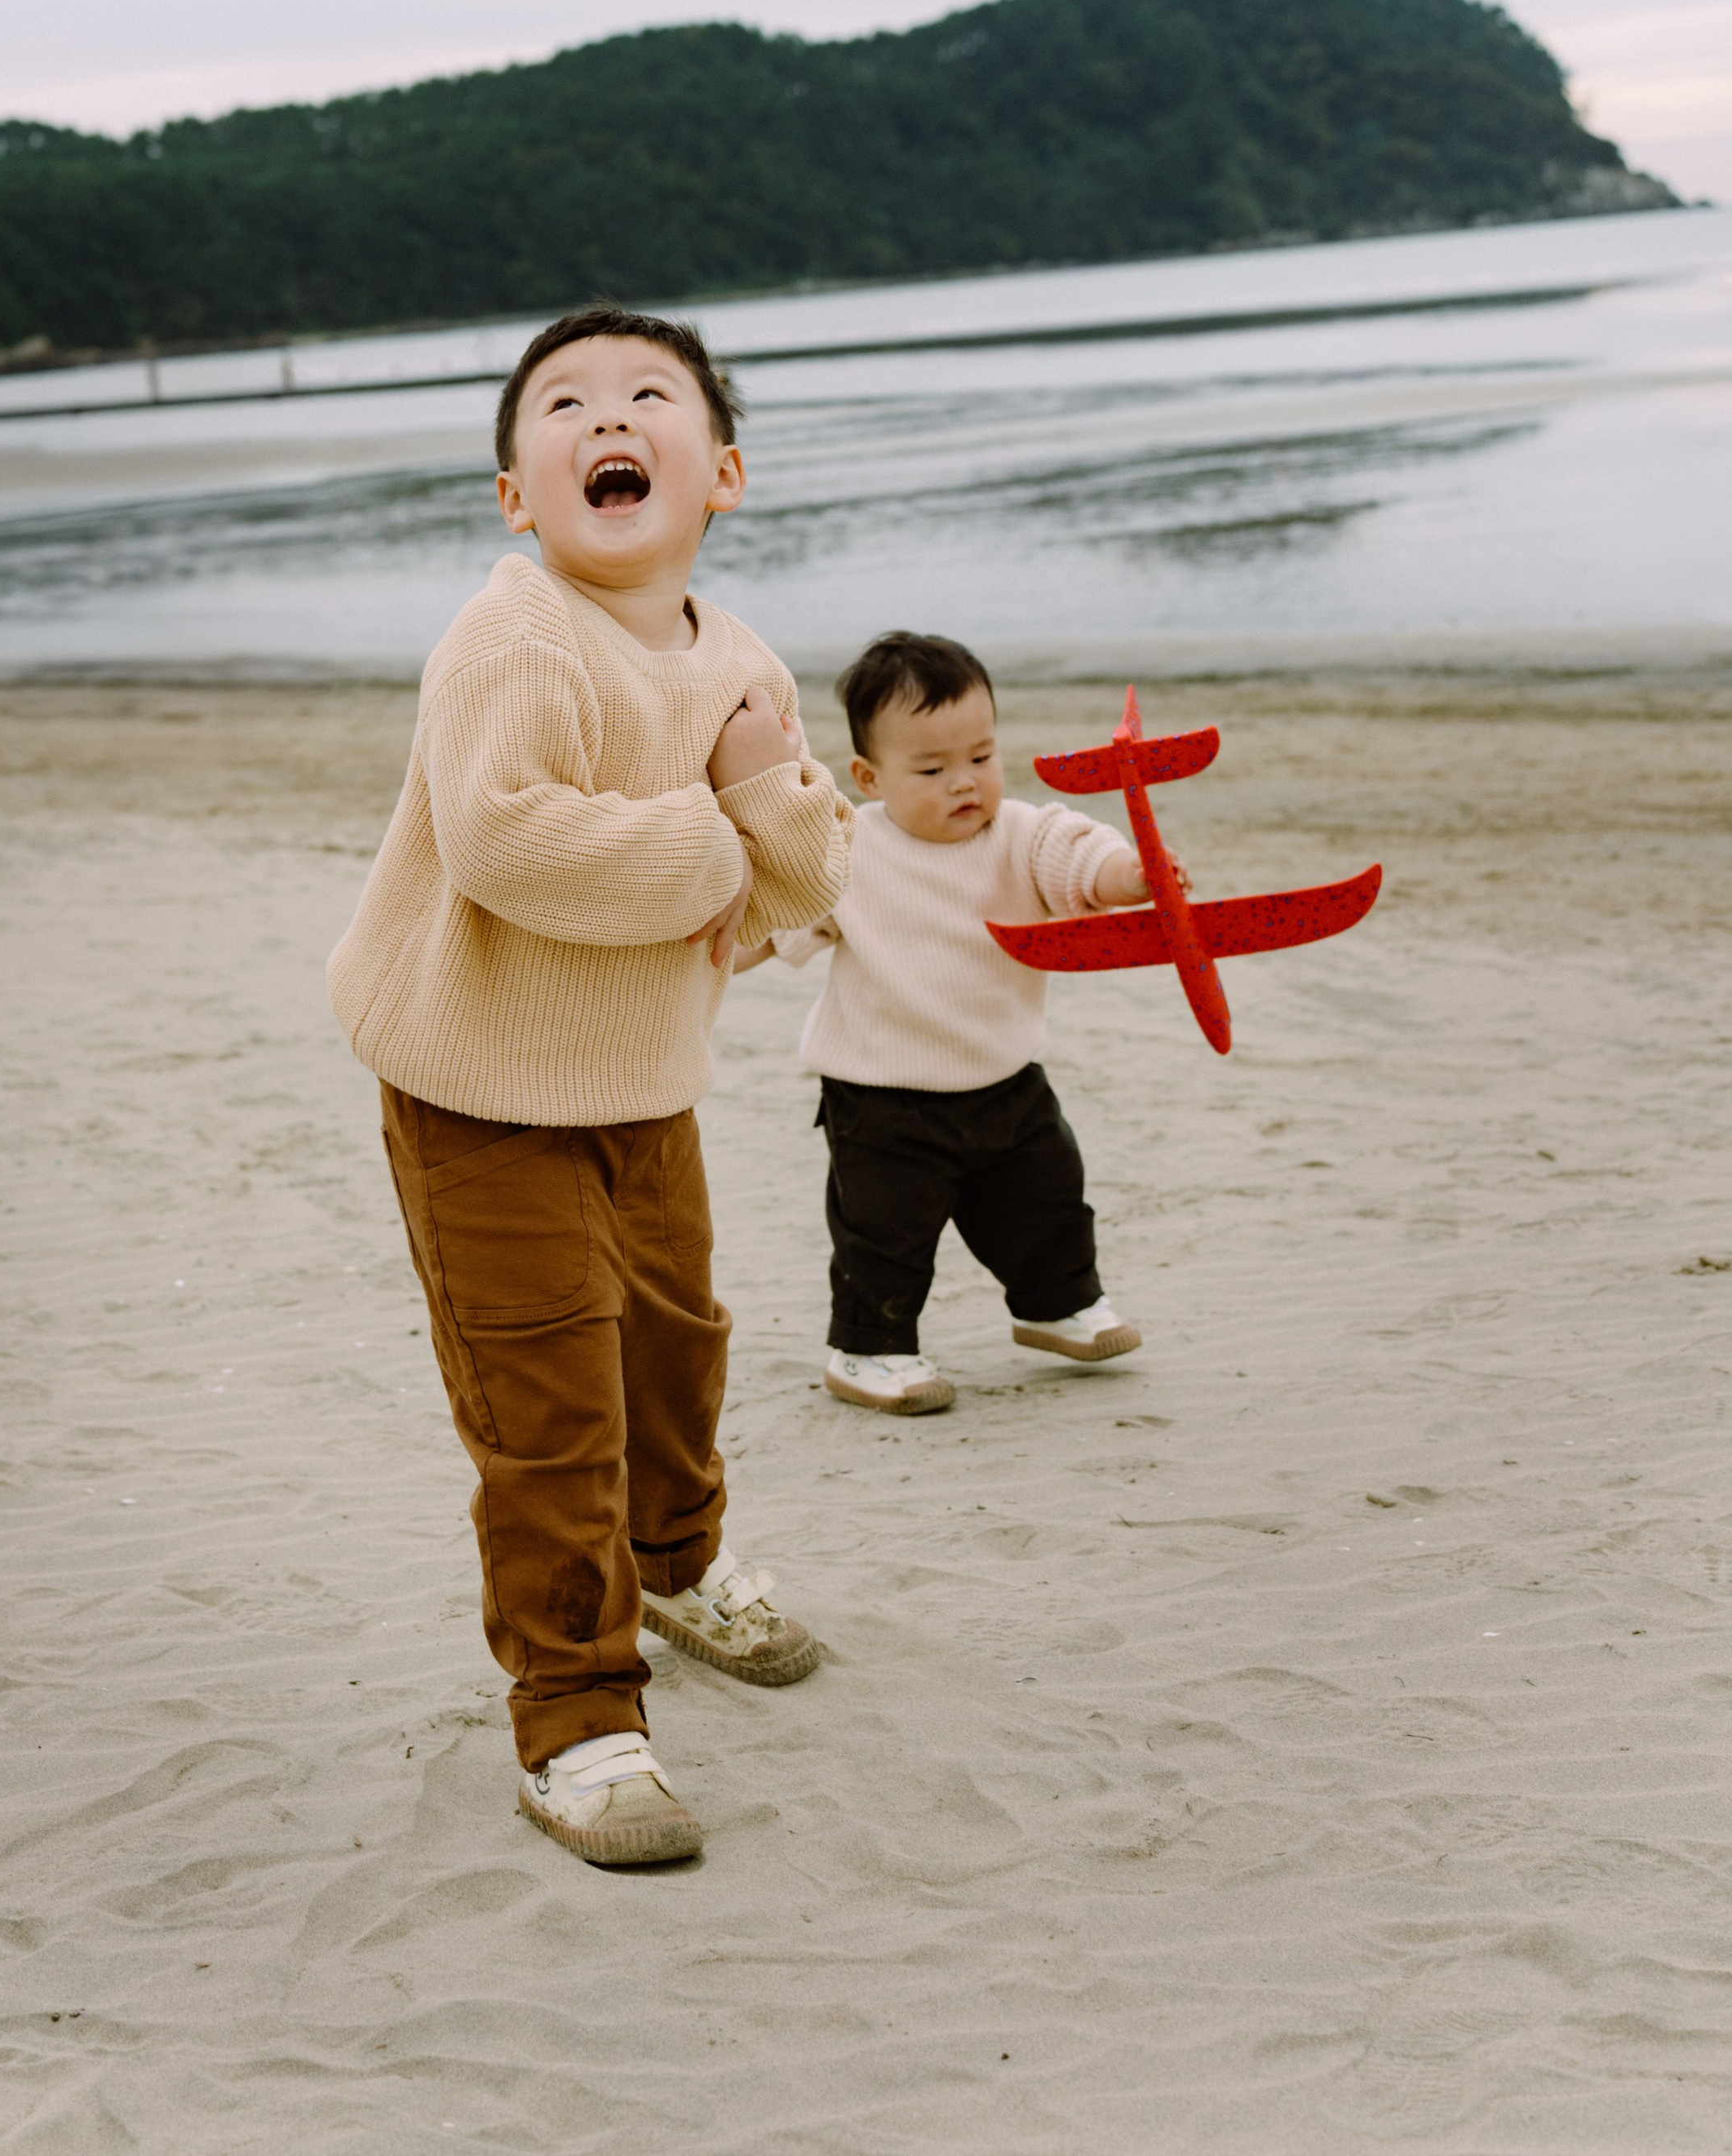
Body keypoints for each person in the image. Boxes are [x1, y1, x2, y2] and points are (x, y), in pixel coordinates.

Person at [327, 304, 853, 1870]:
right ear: (518, 493)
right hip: (476, 1074)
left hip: (639, 1073)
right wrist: (714, 845)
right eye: (562, 402)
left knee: (677, 1341)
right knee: (548, 1397)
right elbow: (509, 837)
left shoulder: (739, 665)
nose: (604, 415)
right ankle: (575, 1713)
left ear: (722, 472)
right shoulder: (514, 638)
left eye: (646, 397)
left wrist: (759, 801)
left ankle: (680, 1561)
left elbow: (811, 872)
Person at [738, 631, 1165, 1417]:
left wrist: (1130, 878)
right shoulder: (849, 848)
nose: (965, 783)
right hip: (881, 1096)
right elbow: (775, 916)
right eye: (932, 770)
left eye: (981, 757)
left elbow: (1080, 857)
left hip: (1004, 1078)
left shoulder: (1020, 836)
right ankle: (869, 1350)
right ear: (869, 777)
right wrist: (708, 948)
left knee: (1050, 1201)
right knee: (885, 1234)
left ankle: (1054, 1305)